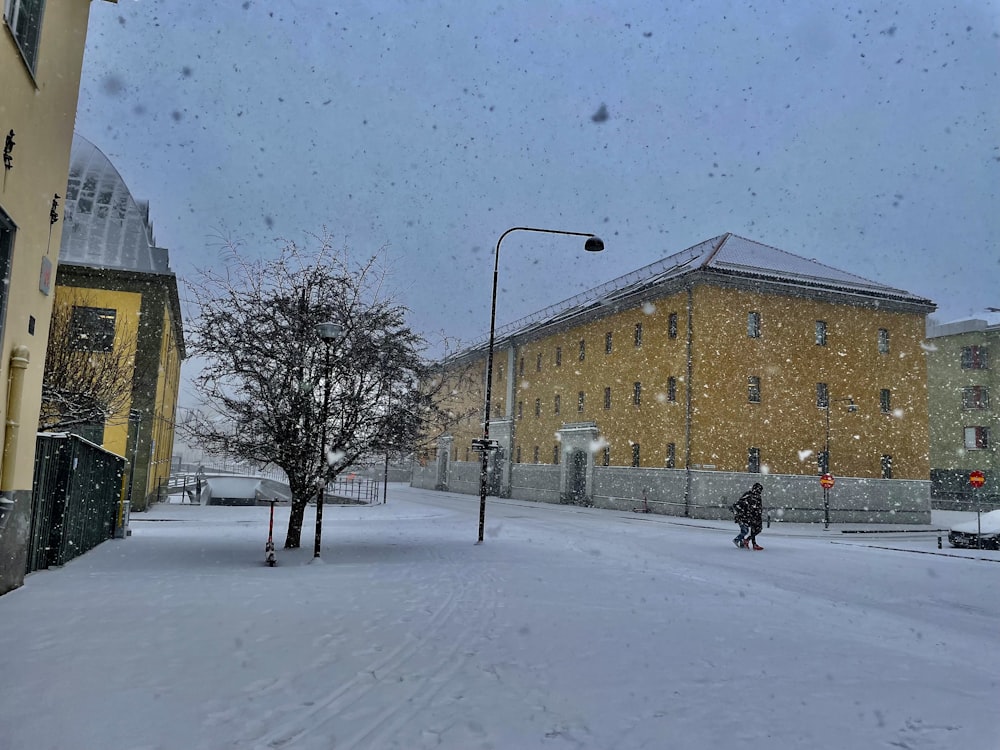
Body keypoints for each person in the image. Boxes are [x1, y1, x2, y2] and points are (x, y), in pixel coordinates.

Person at [732, 482, 764, 550]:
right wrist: (742, 512)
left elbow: (758, 508)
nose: (759, 492)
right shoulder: (750, 496)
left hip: (749, 516)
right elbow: (738, 504)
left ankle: (745, 543)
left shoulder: (754, 496)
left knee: (752, 529)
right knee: (747, 530)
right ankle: (740, 541)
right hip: (746, 516)